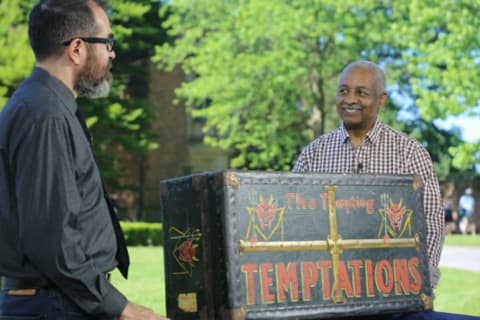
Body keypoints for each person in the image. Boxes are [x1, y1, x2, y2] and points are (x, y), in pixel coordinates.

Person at [0, 1, 168, 319]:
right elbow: (52, 240)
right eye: (108, 42)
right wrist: (121, 309)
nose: (112, 54)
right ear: (77, 49)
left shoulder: (46, 106)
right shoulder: (44, 114)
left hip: (58, 300)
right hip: (53, 304)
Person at [292, 60, 444, 289]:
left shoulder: (410, 153)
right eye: (343, 91)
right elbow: (294, 219)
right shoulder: (313, 153)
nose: (350, 99)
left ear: (381, 100)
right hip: (327, 286)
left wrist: (422, 279)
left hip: (393, 286)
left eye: (361, 93)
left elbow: (431, 221)